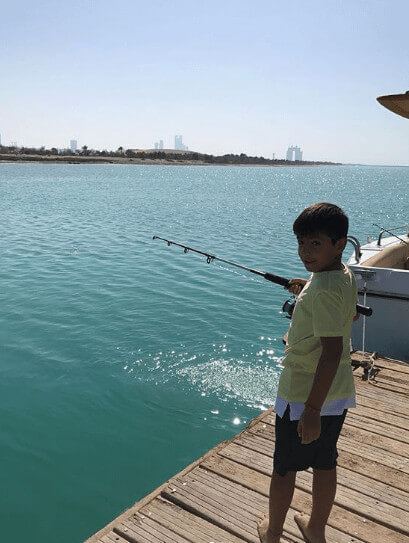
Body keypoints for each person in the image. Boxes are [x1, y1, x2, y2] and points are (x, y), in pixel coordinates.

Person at [257, 202, 359, 543]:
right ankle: (315, 529)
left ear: (339, 244)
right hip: (337, 392)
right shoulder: (341, 276)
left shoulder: (324, 291)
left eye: (315, 244)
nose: (305, 251)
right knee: (325, 462)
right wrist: (308, 288)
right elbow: (346, 316)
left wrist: (311, 411)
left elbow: (330, 354)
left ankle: (272, 533)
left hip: (304, 397)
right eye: (301, 242)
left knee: (284, 468)